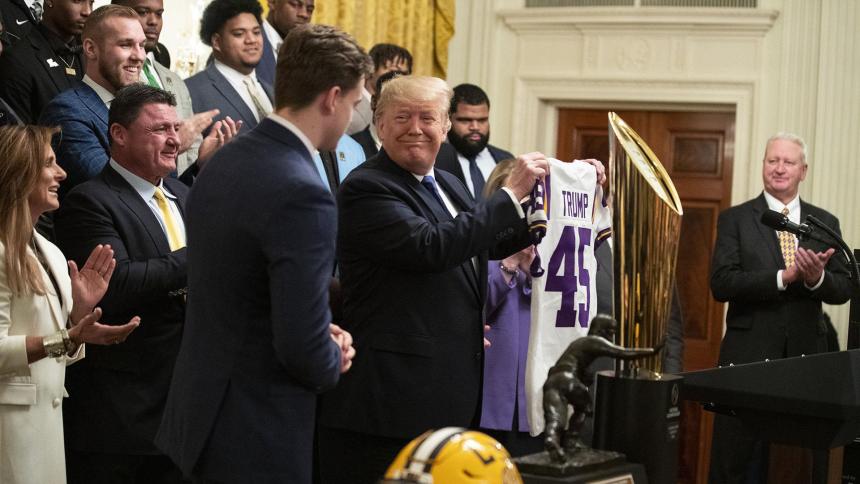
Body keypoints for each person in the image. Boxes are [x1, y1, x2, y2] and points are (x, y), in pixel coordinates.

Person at [317, 75, 551, 484]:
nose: (415, 128)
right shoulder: (366, 187)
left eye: (427, 118)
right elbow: (431, 246)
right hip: (389, 406)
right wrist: (509, 195)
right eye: (402, 117)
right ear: (380, 125)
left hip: (444, 394)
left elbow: (484, 243)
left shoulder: (447, 182)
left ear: (444, 127)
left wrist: (556, 197)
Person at [156, 24, 364, 484]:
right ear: (332, 98)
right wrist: (330, 353)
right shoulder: (304, 192)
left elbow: (240, 288)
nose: (352, 116)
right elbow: (301, 350)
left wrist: (312, 326)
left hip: (198, 415)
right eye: (353, 103)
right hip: (256, 430)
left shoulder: (225, 158)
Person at [53, 85, 193, 484]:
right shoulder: (90, 201)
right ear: (119, 134)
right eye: (159, 129)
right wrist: (198, 256)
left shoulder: (185, 194)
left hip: (185, 409)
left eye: (176, 128)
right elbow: (117, 284)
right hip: (123, 416)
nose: (173, 139)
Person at [708, 132, 853, 483]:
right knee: (734, 462)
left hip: (804, 361)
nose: (779, 168)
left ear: (803, 170)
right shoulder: (736, 219)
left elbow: (843, 288)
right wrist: (782, 277)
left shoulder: (824, 223)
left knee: (798, 465)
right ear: (763, 165)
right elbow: (722, 282)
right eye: (772, 160)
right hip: (747, 359)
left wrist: (816, 279)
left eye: (788, 162)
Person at [0, 124, 138, 484]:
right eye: (49, 163)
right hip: (9, 433)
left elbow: (58, 345)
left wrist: (78, 317)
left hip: (47, 428)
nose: (62, 173)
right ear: (18, 172)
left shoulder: (51, 251)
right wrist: (66, 337)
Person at [39, 5, 226, 198]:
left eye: (142, 45)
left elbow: (163, 194)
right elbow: (110, 191)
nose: (139, 56)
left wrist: (201, 165)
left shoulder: (144, 111)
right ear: (91, 49)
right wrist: (171, 145)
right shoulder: (67, 112)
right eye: (126, 45)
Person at [111, 0, 204, 174]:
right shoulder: (115, 76)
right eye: (143, 12)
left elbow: (193, 145)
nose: (153, 21)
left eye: (159, 14)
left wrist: (204, 158)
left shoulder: (174, 79)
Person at [185, 0, 271, 137]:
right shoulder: (190, 91)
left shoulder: (272, 90)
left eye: (256, 32)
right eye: (239, 34)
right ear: (216, 42)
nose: (251, 40)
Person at [0, 0, 89, 123]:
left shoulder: (89, 54)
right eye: (77, 1)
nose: (87, 11)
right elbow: (17, 132)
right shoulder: (17, 61)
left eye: (91, 2)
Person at [436, 83, 514, 200]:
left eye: (482, 120)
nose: (475, 127)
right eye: (465, 120)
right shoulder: (435, 159)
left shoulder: (505, 159)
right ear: (448, 119)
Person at [346, 42, 412, 136]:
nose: (396, 76)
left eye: (402, 73)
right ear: (370, 70)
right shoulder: (350, 108)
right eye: (391, 70)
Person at [257, 0, 313, 86]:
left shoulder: (309, 51)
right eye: (295, 4)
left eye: (309, 10)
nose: (304, 14)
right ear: (272, 2)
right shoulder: (249, 42)